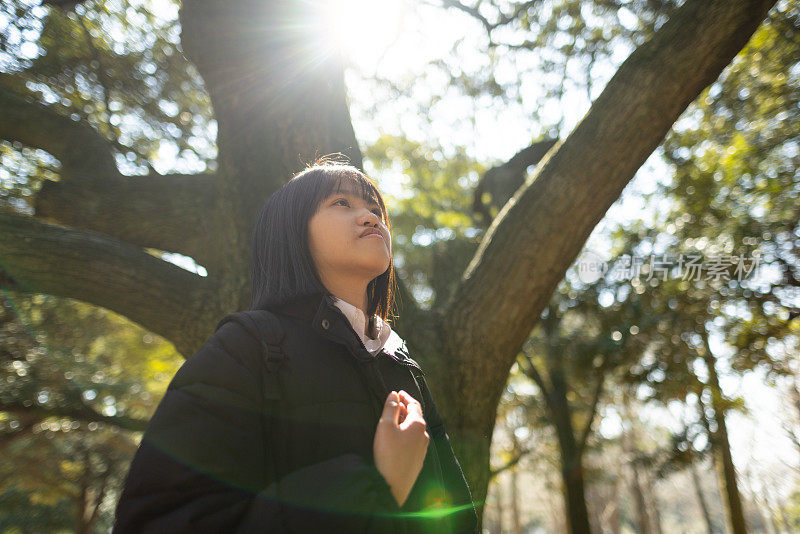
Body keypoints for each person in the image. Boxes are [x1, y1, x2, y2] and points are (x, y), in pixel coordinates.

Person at [112, 157, 479, 533]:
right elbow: (158, 520)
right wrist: (376, 488)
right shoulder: (248, 346)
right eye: (342, 203)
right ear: (293, 232)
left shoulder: (403, 366)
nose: (371, 218)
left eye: (374, 208)